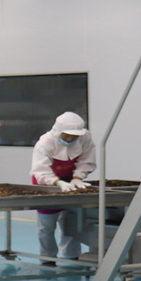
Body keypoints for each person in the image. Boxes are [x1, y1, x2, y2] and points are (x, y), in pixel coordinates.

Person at [30, 112, 96, 266]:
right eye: (67, 136)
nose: (70, 139)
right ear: (58, 131)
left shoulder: (85, 137)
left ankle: (71, 255)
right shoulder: (45, 143)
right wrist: (58, 183)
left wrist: (77, 178)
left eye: (74, 137)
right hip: (46, 185)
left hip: (71, 182)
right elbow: (40, 170)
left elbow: (87, 159)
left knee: (71, 223)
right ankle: (47, 258)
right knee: (46, 226)